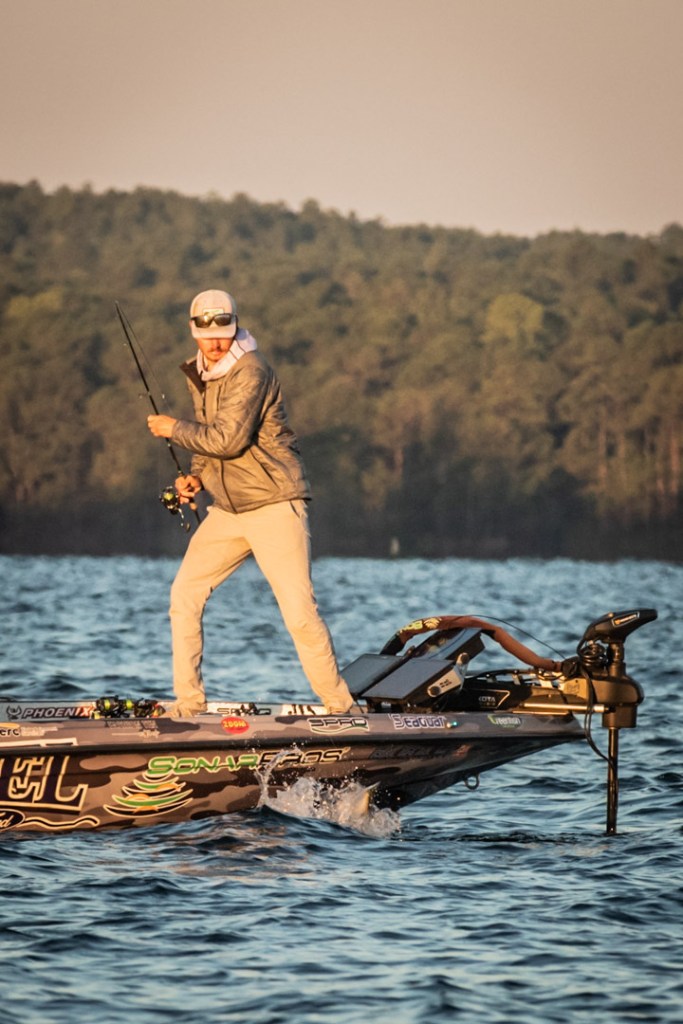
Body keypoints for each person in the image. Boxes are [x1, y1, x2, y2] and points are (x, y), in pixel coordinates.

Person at [146, 288, 354, 717]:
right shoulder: (200, 372)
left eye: (223, 333)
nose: (215, 342)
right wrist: (196, 477)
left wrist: (172, 429)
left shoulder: (252, 370)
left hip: (275, 503)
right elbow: (208, 438)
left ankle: (342, 709)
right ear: (193, 332)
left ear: (235, 326)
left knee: (299, 613)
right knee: (184, 595)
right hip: (228, 510)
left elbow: (228, 439)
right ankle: (189, 706)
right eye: (207, 335)